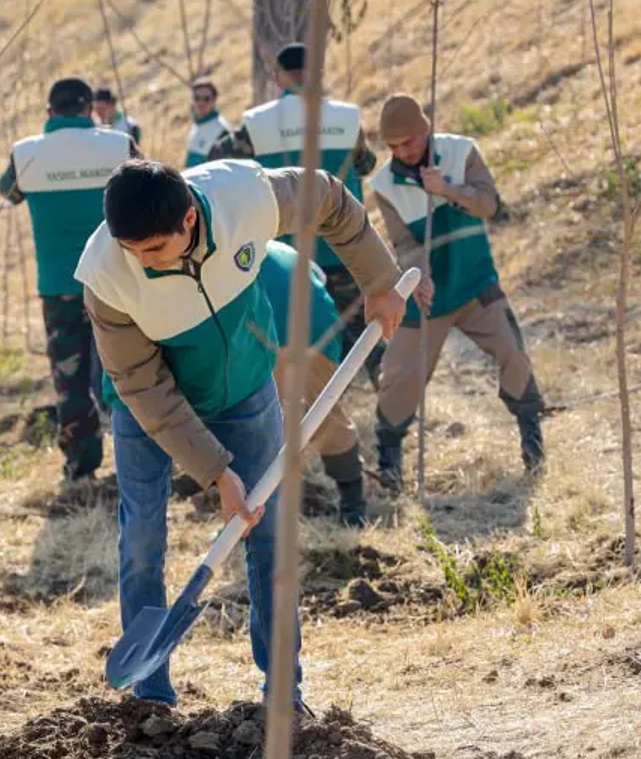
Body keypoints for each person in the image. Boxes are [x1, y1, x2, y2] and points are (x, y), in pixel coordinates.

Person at [77, 159, 404, 710]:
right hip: (145, 408)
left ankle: (283, 690)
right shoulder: (107, 274)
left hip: (246, 389)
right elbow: (140, 382)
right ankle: (150, 694)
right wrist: (214, 471)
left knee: (270, 537)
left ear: (188, 219)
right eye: (131, 250)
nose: (141, 262)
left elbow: (327, 198)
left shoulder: (244, 195)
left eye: (153, 249)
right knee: (141, 543)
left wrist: (380, 280)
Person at [366, 94, 543, 492]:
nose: (402, 153)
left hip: (476, 284)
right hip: (428, 299)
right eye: (393, 147)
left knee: (512, 352)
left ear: (425, 130)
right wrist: (420, 276)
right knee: (398, 374)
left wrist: (447, 189)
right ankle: (389, 463)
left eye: (408, 143)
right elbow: (405, 244)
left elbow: (489, 206)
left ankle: (532, 440)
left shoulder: (461, 152)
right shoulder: (383, 185)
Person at [0, 78, 141, 485]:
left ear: (49, 113)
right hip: (117, 281)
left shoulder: (25, 153)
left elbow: (7, 193)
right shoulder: (118, 145)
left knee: (70, 379)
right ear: (90, 109)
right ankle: (140, 459)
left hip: (59, 285)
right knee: (132, 370)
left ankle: (81, 466)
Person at [212, 43, 380, 378]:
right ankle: (389, 400)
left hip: (289, 255)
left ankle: (314, 413)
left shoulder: (256, 124)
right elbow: (367, 163)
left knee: (298, 340)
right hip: (344, 247)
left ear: (277, 78)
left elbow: (221, 165)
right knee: (364, 334)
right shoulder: (347, 118)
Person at [255, 243, 369, 526]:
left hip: (292, 327)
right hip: (314, 320)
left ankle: (350, 506)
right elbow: (320, 278)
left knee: (264, 421)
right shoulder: (277, 246)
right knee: (323, 413)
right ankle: (351, 503)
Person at [183, 79, 229, 168]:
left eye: (206, 99)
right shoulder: (197, 125)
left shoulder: (221, 129)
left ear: (214, 100)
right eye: (197, 98)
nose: (201, 103)